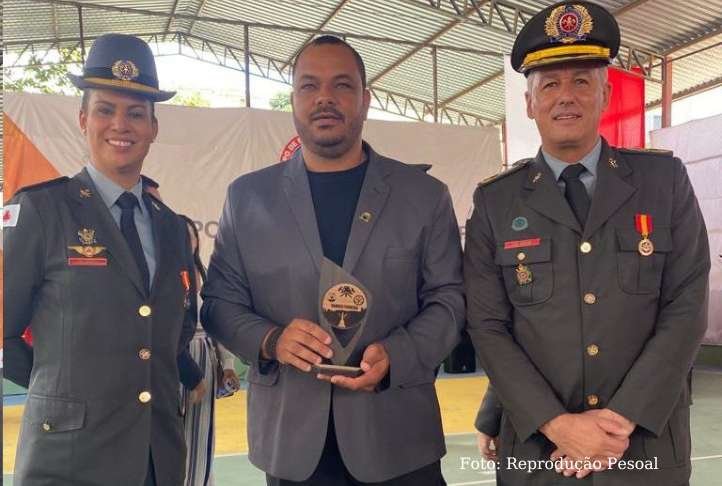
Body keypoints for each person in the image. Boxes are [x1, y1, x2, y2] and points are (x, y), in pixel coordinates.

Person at [465, 1, 710, 484]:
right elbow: (490, 326)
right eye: (550, 84)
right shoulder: (496, 201)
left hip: (642, 447)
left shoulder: (663, 182)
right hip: (538, 451)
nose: (566, 97)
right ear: (530, 102)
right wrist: (557, 426)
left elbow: (687, 305)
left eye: (581, 80)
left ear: (606, 93)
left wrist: (616, 425)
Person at [201, 35, 464, 485]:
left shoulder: (423, 196)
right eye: (309, 86)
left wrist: (397, 355)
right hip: (293, 446)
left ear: (366, 98)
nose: (324, 97)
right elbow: (219, 304)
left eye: (342, 85)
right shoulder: (247, 198)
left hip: (399, 440)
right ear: (293, 100)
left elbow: (450, 300)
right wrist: (270, 340)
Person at [3, 33, 196, 485]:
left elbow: (176, 330)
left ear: (153, 127)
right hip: (68, 461)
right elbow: (4, 330)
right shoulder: (42, 211)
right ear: (83, 118)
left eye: (136, 113)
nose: (120, 125)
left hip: (156, 458)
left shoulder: (172, 226)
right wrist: (67, 396)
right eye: (106, 110)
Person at [179, 214, 240, 486]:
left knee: (200, 434)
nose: (187, 241)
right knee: (169, 434)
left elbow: (218, 326)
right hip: (171, 361)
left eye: (191, 235)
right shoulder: (160, 279)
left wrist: (227, 365)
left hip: (203, 357)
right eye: (181, 236)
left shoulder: (207, 277)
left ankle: (200, 480)